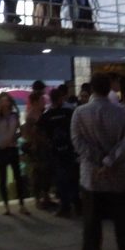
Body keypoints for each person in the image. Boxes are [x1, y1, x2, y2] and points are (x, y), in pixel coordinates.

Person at [69, 72, 125, 250]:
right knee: (124, 228)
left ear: (91, 89)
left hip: (91, 178)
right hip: (117, 177)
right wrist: (110, 160)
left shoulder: (80, 113)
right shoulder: (122, 113)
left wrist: (97, 159)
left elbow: (77, 141)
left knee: (91, 227)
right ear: (109, 88)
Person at [38, 85, 78, 217]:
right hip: (69, 149)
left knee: (61, 179)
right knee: (72, 178)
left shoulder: (47, 115)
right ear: (60, 98)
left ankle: (65, 206)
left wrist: (48, 143)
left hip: (56, 151)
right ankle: (76, 205)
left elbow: (40, 132)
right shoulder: (69, 112)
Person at [0, 92, 29, 216]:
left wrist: (14, 138)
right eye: (2, 101)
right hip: (0, 150)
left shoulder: (14, 115)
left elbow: (20, 131)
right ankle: (6, 206)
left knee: (18, 177)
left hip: (12, 148)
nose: (4, 103)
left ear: (10, 102)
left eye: (6, 100)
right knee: (3, 178)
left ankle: (22, 204)